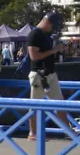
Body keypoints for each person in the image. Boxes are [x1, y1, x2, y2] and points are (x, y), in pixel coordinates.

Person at [26, 12, 72, 140]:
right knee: (35, 106)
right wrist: (54, 50)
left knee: (60, 104)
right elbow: (33, 56)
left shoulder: (45, 35)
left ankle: (68, 132)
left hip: (50, 73)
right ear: (47, 22)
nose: (53, 29)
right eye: (53, 26)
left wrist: (57, 50)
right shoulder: (34, 34)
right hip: (38, 75)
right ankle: (32, 133)